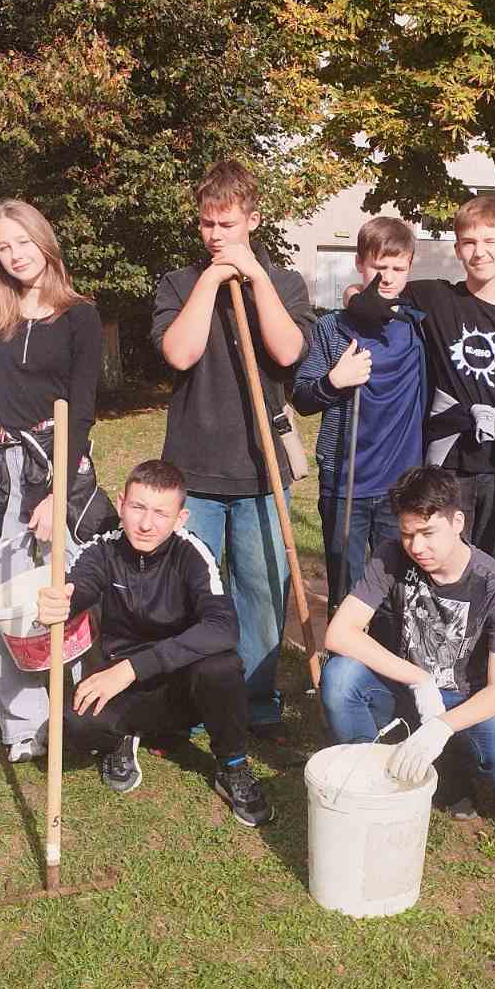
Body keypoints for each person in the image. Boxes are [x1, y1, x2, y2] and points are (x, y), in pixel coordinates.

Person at [154, 160, 314, 732]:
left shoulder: (285, 283)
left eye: (227, 224)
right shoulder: (179, 283)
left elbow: (289, 352)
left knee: (262, 591)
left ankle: (255, 697)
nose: (216, 235)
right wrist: (211, 281)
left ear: (253, 219)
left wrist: (256, 281)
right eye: (207, 224)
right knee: (195, 591)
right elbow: (180, 353)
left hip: (261, 471)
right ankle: (201, 699)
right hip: (194, 468)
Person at [36, 460, 272, 826]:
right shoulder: (101, 550)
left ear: (180, 518)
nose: (146, 524)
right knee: (71, 726)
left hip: (181, 686)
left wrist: (133, 668)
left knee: (221, 666)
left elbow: (223, 627)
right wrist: (62, 602)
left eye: (161, 513)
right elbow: (79, 587)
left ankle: (233, 765)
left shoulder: (193, 554)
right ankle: (122, 737)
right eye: (138, 507)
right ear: (121, 504)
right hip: (121, 688)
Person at [0, 198, 108, 763]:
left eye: (23, 242)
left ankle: (78, 714)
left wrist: (56, 493)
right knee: (2, 592)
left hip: (57, 464)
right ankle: (24, 725)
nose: (16, 255)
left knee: (67, 589)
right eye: (4, 247)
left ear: (44, 242)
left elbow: (83, 409)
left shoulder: (79, 316)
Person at [321, 465, 495, 819]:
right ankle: (369, 769)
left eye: (427, 533)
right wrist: (418, 678)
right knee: (340, 676)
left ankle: (450, 767)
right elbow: (339, 633)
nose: (417, 547)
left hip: (461, 700)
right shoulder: (391, 556)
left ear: (458, 522)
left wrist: (443, 726)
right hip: (399, 685)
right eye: (407, 534)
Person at [401, 194, 495, 566]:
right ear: (457, 249)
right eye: (469, 242)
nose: (479, 252)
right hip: (450, 463)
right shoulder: (437, 298)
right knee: (446, 564)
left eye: (490, 241)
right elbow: (378, 289)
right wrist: (352, 292)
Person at [292, 217, 426, 613]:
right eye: (378, 267)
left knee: (396, 595)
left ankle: (388, 653)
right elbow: (302, 397)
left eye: (398, 268)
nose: (387, 277)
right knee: (345, 591)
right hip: (345, 481)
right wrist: (334, 381)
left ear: (410, 268)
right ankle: (340, 651)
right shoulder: (332, 328)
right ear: (359, 264)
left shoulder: (419, 326)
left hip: (400, 485)